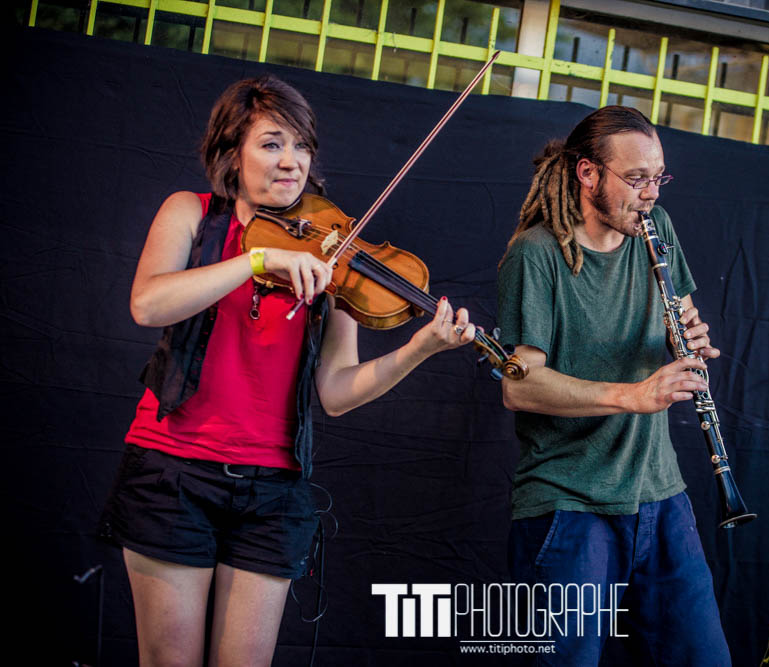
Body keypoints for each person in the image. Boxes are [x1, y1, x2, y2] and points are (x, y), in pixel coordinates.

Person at [99, 75, 476, 666]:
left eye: (302, 147)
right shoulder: (191, 214)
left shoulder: (332, 252)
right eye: (272, 143)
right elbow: (149, 302)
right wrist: (257, 259)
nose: (292, 162)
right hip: (172, 472)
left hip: (272, 490)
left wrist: (420, 349)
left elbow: (336, 392)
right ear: (232, 152)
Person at [497, 106, 731, 665]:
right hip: (569, 501)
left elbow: (681, 321)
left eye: (658, 178)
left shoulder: (659, 228)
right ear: (588, 174)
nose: (650, 193)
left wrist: (688, 343)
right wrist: (632, 395)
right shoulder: (536, 255)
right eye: (636, 179)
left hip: (659, 493)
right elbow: (520, 387)